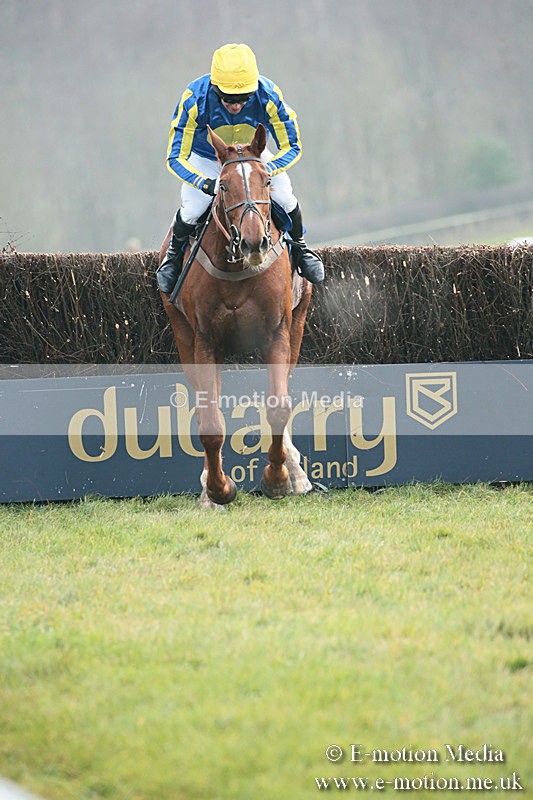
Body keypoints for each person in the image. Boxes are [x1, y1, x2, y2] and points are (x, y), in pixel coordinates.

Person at [157, 43, 325, 294]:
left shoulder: (269, 95)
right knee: (193, 209)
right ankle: (172, 258)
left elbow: (293, 145)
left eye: (243, 98)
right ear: (214, 89)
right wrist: (204, 183)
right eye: (228, 98)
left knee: (286, 198)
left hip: (256, 157)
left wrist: (269, 168)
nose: (236, 105)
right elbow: (174, 157)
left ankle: (301, 249)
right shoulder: (194, 100)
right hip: (208, 159)